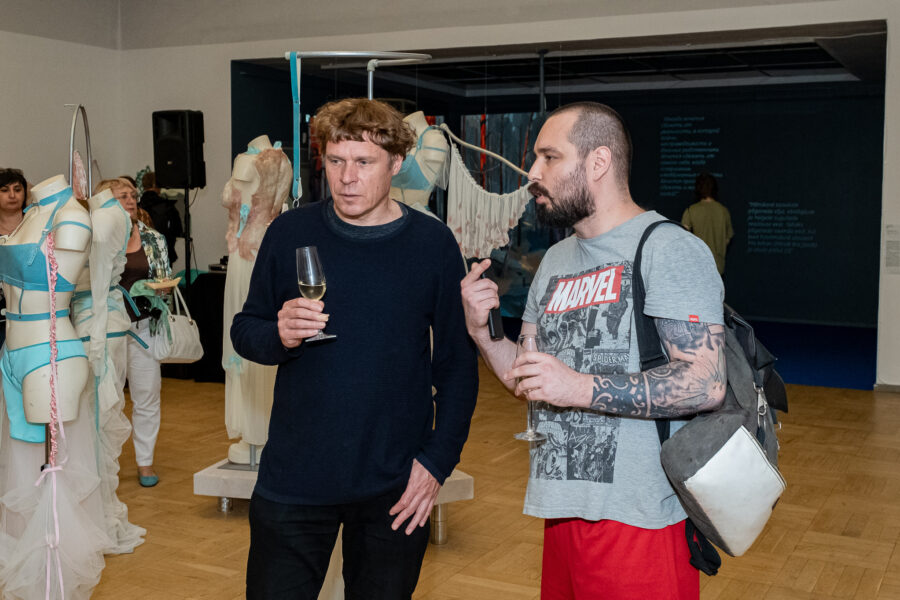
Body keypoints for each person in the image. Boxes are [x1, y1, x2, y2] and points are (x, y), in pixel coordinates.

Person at [461, 102, 726, 599]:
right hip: (562, 510)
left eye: (549, 157)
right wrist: (483, 334)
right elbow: (528, 380)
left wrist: (578, 387)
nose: (533, 173)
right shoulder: (556, 260)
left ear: (598, 162)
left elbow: (705, 384)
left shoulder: (669, 249)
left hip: (641, 521)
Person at [231, 97, 478, 600]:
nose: (346, 178)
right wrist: (279, 333)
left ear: (396, 163)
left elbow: (457, 368)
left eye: (364, 162)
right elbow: (245, 330)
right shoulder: (290, 231)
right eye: (335, 161)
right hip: (294, 479)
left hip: (395, 484)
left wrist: (437, 463)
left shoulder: (432, 244)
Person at [221, 134, 290, 464]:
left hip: (249, 255)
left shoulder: (250, 161)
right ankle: (260, 431)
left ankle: (259, 431)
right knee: (259, 330)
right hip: (254, 251)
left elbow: (229, 199)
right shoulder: (280, 161)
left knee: (253, 330)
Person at [105, 177, 173, 488]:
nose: (131, 200)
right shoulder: (98, 237)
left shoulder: (153, 237)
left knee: (147, 396)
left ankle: (145, 463)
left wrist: (160, 288)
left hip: (145, 326)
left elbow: (165, 279)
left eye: (133, 195)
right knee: (109, 399)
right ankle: (107, 463)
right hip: (109, 330)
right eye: (123, 196)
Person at [682, 172, 733, 276]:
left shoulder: (691, 210)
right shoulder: (723, 211)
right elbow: (727, 238)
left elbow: (683, 238)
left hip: (697, 267)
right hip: (718, 268)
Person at [0, 168, 28, 347]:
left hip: (31, 313)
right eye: (4, 190)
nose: (12, 195)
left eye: (17, 190)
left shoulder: (38, 224)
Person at [139, 170, 183, 262]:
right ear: (155, 184)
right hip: (163, 254)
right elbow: (177, 230)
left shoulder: (136, 207)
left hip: (140, 255)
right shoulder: (167, 207)